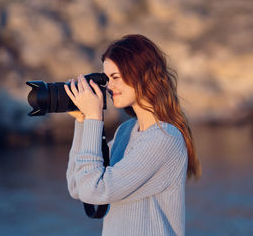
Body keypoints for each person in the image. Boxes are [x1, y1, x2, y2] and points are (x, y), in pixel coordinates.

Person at [64, 34, 201, 236]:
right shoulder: (126, 131)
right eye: (106, 78)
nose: (109, 87)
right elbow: (78, 186)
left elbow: (94, 189)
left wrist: (94, 117)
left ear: (140, 74)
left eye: (115, 78)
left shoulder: (164, 138)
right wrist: (83, 122)